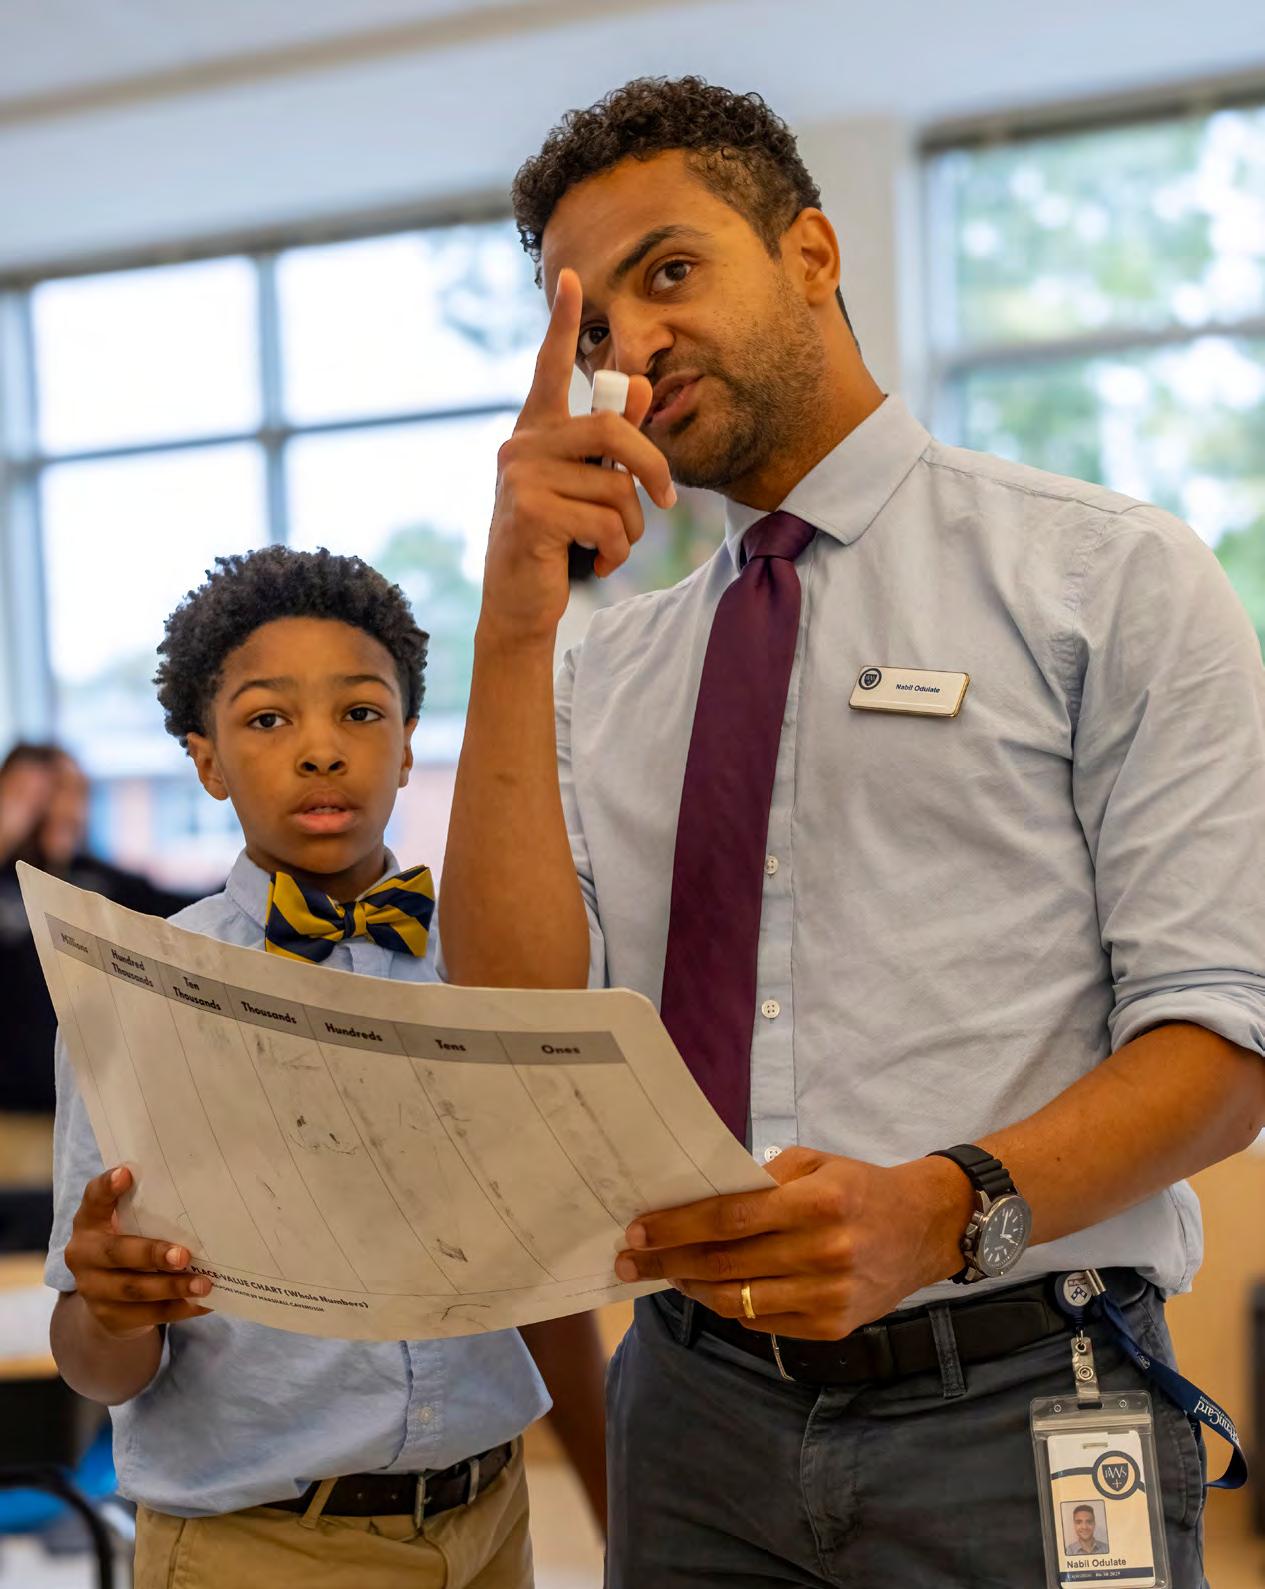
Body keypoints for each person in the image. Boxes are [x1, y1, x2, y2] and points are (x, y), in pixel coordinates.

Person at [439, 76, 1265, 1587]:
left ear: (810, 253)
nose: (634, 346)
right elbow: (513, 1025)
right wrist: (507, 625)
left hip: (1020, 1392)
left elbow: (1223, 1041)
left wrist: (937, 1212)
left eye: (670, 271)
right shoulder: (597, 670)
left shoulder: (1107, 578)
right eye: (595, 326)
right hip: (690, 1407)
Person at [45, 546, 605, 1589]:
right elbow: (93, 1360)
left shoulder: (489, 963)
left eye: (360, 711)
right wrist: (113, 1307)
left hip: (491, 1517)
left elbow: (545, 1274)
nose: (319, 750)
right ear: (206, 761)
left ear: (407, 746)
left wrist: (617, 1504)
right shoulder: (139, 999)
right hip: (258, 1546)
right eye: (267, 718)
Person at [0, 742, 197, 1115]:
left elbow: (187, 912)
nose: (66, 808)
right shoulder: (6, 878)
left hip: (91, 1107)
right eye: (46, 794)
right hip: (11, 1112)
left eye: (77, 793)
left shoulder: (99, 881)